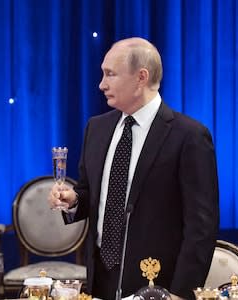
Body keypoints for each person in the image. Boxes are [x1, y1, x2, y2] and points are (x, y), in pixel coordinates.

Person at [49, 37, 219, 300]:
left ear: (141, 77)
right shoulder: (96, 128)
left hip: (158, 283)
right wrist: (73, 200)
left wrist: (180, 294)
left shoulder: (190, 137)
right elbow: (88, 193)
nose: (101, 84)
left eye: (110, 74)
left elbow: (201, 227)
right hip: (100, 279)